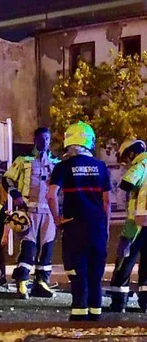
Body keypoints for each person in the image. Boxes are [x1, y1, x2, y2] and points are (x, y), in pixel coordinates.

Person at [47, 121, 111, 322]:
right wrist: (105, 227)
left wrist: (58, 219)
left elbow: (50, 195)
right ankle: (95, 316)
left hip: (74, 226)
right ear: (89, 141)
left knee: (77, 271)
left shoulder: (63, 167)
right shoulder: (101, 167)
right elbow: (107, 201)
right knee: (95, 274)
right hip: (97, 226)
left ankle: (78, 315)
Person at [4, 127, 60, 299]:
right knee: (29, 248)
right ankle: (22, 282)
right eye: (42, 138)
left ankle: (41, 283)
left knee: (47, 248)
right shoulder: (23, 160)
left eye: (48, 139)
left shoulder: (56, 163)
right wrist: (16, 197)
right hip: (28, 212)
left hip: (49, 213)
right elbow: (7, 179)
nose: (45, 142)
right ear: (35, 139)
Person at [109, 138, 147, 312]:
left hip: (136, 223)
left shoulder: (140, 165)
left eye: (126, 157)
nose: (125, 162)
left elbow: (126, 184)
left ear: (132, 152)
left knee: (124, 261)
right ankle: (145, 302)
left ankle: (119, 302)